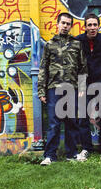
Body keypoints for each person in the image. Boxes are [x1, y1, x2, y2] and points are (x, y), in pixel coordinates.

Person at [38, 12, 88, 165]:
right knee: (53, 123)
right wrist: (41, 90)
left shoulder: (76, 44)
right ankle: (50, 156)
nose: (65, 26)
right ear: (57, 24)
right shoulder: (49, 44)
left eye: (68, 24)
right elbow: (43, 68)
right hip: (54, 88)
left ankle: (71, 154)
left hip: (71, 88)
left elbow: (83, 67)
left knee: (71, 122)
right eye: (63, 23)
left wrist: (82, 87)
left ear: (71, 26)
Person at [76, 13, 101, 161]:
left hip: (100, 81)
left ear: (99, 26)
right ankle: (86, 148)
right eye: (89, 25)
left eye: (95, 25)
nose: (92, 28)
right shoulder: (78, 40)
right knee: (83, 117)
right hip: (83, 82)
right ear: (84, 26)